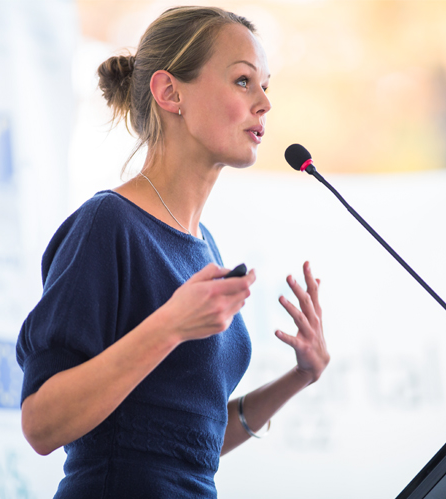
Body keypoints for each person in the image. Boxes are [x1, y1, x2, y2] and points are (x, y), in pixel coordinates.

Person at [16, 6, 330, 499]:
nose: (265, 101)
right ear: (169, 92)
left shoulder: (204, 245)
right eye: (244, 81)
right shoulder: (109, 224)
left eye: (267, 85)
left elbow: (184, 446)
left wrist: (300, 378)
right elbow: (41, 423)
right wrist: (170, 326)